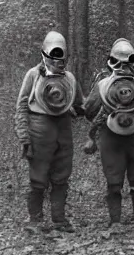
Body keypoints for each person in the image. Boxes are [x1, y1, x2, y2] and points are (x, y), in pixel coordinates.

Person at [15, 31, 89, 234]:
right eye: (54, 55)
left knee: (61, 177)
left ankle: (59, 219)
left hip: (63, 130)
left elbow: (80, 104)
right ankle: (35, 220)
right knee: (38, 177)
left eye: (62, 55)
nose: (59, 60)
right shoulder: (33, 75)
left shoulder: (70, 78)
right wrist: (24, 135)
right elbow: (21, 106)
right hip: (39, 130)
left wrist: (84, 107)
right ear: (45, 54)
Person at [83, 38, 134, 231]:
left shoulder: (103, 83)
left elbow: (89, 111)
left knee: (114, 180)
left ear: (111, 61)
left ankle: (115, 221)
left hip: (112, 137)